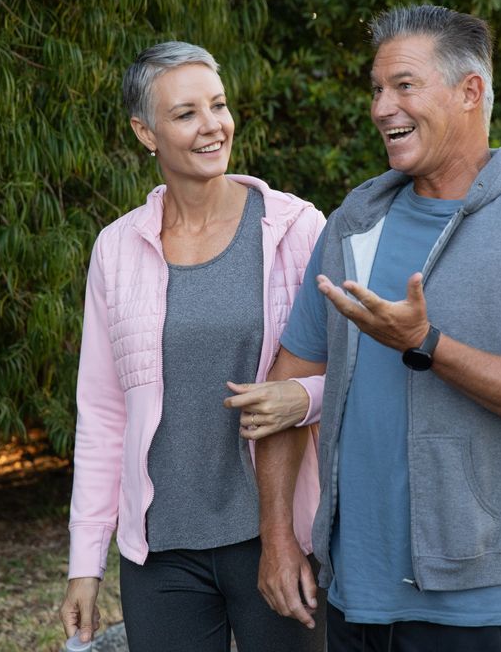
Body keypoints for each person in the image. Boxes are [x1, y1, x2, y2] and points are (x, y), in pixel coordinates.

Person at [250, 5, 501, 651]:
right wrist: (279, 537)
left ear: (470, 91)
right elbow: (284, 390)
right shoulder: (353, 222)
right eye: (376, 89)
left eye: (404, 86)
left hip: (481, 604)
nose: (381, 107)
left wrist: (427, 344)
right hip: (353, 597)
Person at [59, 41, 325, 652]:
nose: (213, 126)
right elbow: (102, 415)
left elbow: (356, 373)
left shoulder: (296, 229)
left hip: (277, 536)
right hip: (162, 552)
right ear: (145, 133)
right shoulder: (117, 249)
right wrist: (85, 564)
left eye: (219, 105)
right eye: (185, 114)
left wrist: (302, 397)